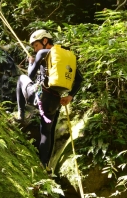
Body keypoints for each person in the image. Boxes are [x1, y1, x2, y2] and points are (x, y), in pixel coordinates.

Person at [16, 29, 82, 167]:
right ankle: (44, 164)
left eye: (36, 45)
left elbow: (30, 75)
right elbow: (79, 79)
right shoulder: (65, 57)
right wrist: (70, 96)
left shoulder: (42, 53)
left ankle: (20, 113)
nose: (35, 49)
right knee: (46, 131)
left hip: (39, 95)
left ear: (45, 41)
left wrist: (30, 62)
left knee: (21, 79)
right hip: (54, 101)